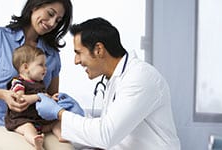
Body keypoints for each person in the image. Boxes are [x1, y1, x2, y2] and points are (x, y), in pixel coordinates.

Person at [35, 17, 181, 150]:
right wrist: (79, 114)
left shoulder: (140, 77)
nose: (76, 61)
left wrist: (60, 113)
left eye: (79, 53)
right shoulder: (115, 79)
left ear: (99, 49)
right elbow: (109, 128)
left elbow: (106, 135)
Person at [0, 0, 75, 149]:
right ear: (35, 6)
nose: (51, 23)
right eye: (50, 14)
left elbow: (50, 99)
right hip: (0, 124)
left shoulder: (52, 55)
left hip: (39, 126)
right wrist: (3, 94)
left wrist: (57, 101)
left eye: (57, 21)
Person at [5, 45, 68, 150]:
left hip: (39, 121)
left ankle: (60, 135)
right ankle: (36, 141)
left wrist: (52, 98)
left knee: (56, 122)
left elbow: (43, 99)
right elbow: (20, 99)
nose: (45, 68)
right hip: (21, 120)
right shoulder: (18, 82)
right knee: (28, 129)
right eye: (41, 65)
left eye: (45, 65)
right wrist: (38, 96)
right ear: (25, 67)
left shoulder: (39, 83)